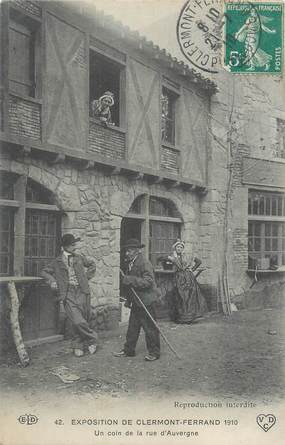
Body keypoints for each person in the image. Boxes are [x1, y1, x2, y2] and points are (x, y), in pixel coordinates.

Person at [41, 234, 98, 357]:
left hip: (82, 291)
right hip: (68, 293)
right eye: (72, 245)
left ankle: (78, 345)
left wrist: (85, 278)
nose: (75, 247)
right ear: (65, 246)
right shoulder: (57, 262)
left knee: (83, 318)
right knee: (77, 321)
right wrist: (52, 281)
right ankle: (93, 339)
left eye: (75, 244)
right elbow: (44, 271)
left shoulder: (79, 257)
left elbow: (92, 265)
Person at [114, 238, 160, 361]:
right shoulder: (131, 262)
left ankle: (154, 352)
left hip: (147, 301)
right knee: (133, 327)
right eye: (126, 251)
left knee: (150, 328)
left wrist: (130, 279)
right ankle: (129, 350)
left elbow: (149, 282)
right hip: (137, 301)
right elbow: (131, 285)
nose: (126, 253)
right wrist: (129, 299)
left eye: (129, 251)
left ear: (137, 251)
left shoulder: (144, 263)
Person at [167, 240, 208, 324]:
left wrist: (192, 269)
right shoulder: (173, 257)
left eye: (181, 247)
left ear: (183, 249)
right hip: (178, 278)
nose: (179, 248)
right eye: (178, 247)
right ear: (175, 248)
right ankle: (181, 317)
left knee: (189, 297)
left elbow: (199, 261)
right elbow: (167, 262)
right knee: (180, 297)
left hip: (188, 278)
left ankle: (189, 317)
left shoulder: (186, 256)